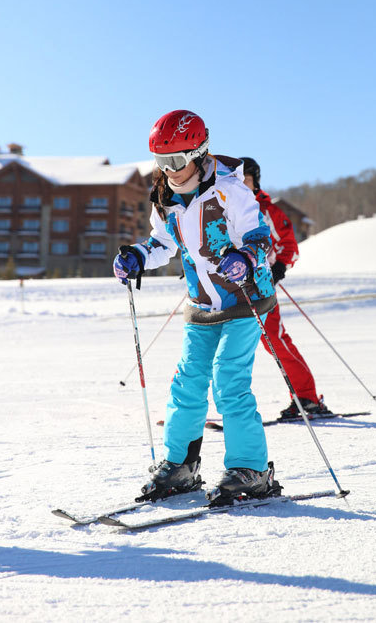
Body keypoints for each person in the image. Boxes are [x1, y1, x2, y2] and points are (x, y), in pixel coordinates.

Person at [113, 110, 280, 504]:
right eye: (161, 162)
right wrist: (137, 256)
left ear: (200, 153)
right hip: (202, 304)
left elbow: (260, 239)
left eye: (177, 161)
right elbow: (162, 244)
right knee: (187, 382)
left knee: (228, 380)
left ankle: (251, 469)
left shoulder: (229, 190)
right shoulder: (165, 199)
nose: (170, 171)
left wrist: (244, 256)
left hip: (245, 298)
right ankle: (180, 465)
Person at [240, 157, 332, 419]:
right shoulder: (226, 209)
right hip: (230, 287)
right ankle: (195, 410)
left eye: (247, 179)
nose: (242, 184)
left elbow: (289, 246)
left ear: (256, 182)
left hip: (261, 286)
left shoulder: (268, 211)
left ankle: (307, 397)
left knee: (274, 340)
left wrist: (278, 268)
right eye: (238, 179)